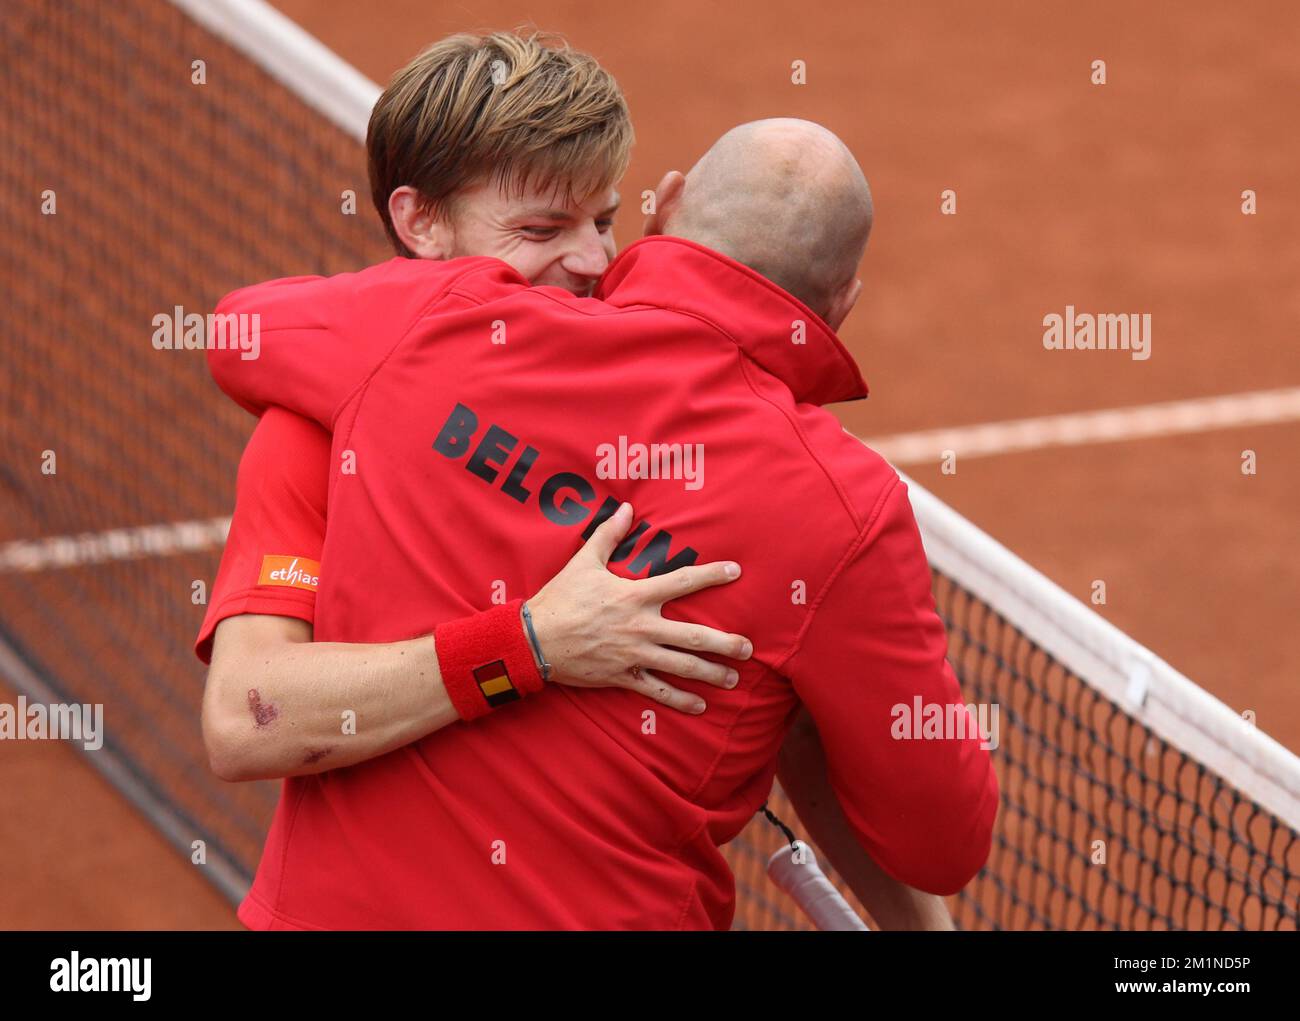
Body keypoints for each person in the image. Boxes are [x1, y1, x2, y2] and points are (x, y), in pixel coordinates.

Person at [206, 116, 1000, 930]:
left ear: (667, 204)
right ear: (841, 305)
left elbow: (239, 332)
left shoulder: (418, 329)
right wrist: (531, 643)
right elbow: (943, 846)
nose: (587, 258)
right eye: (542, 229)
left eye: (601, 222)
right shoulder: (845, 512)